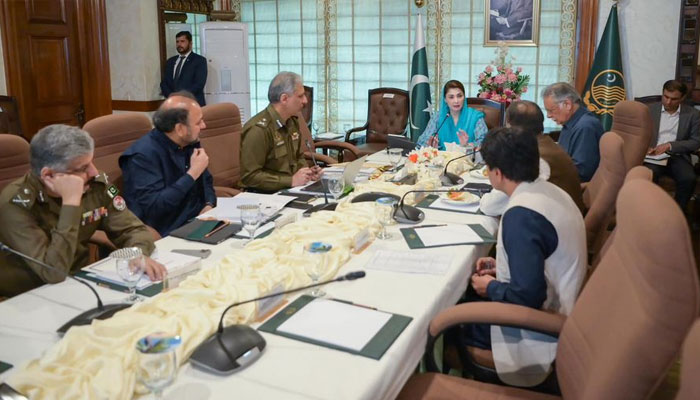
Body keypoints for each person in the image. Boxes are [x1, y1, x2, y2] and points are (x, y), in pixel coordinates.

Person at [466, 127, 587, 386]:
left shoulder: (521, 216)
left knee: (446, 318)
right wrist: (504, 267)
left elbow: (529, 296)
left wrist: (492, 287)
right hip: (566, 308)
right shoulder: (550, 191)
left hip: (539, 330)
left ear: (497, 173)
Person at [0, 125, 166, 297]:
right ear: (48, 175)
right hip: (28, 296)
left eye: (91, 162)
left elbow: (132, 229)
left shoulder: (95, 184)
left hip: (81, 281)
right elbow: (53, 272)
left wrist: (138, 255)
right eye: (82, 168)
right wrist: (71, 202)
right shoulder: (16, 204)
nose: (94, 172)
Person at [119, 92, 216, 237]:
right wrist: (192, 174)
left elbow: (206, 181)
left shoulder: (189, 142)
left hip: (199, 222)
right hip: (168, 232)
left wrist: (209, 204)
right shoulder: (142, 156)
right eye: (198, 122)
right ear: (180, 129)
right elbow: (154, 209)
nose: (204, 126)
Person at [480, 100, 586, 216]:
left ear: (511, 127)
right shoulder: (546, 144)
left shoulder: (534, 157)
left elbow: (491, 206)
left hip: (554, 223)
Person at [240, 71, 322, 193]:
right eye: (300, 96)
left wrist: (307, 173)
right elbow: (250, 177)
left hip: (291, 190)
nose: (305, 101)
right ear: (284, 99)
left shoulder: (292, 121)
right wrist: (291, 181)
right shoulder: (258, 129)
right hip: (266, 195)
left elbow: (298, 157)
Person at [645, 80, 700, 212]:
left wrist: (670, 145)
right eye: (666, 97)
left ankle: (676, 213)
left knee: (689, 178)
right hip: (653, 156)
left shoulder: (693, 114)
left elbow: (696, 141)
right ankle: (649, 213)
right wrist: (645, 147)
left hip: (678, 156)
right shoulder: (650, 110)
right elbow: (639, 134)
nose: (668, 102)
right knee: (649, 175)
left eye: (674, 99)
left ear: (682, 98)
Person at [543, 82, 605, 182]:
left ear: (567, 104)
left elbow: (581, 172)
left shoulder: (585, 127)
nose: (548, 115)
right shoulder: (570, 122)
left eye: (551, 110)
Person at [416, 80, 488, 150]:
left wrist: (468, 145)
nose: (456, 101)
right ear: (445, 99)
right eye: (451, 97)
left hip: (467, 160)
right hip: (441, 160)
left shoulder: (475, 117)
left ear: (464, 97)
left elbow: (485, 143)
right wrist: (430, 146)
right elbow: (421, 142)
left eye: (459, 96)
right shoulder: (437, 117)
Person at [160, 31, 208, 106]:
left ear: (190, 43)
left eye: (182, 41)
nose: (179, 44)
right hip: (173, 105)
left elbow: (199, 84)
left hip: (193, 104)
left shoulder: (199, 60)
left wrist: (180, 97)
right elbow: (164, 83)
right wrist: (171, 97)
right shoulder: (170, 61)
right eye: (177, 42)